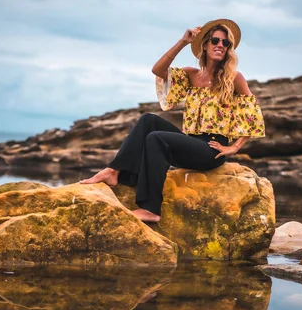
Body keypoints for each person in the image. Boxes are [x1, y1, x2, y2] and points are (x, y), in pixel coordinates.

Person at [80, 18, 265, 223]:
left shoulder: (234, 78)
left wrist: (235, 147)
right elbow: (158, 70)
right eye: (215, 40)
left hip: (211, 150)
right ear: (204, 44)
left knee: (157, 138)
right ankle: (114, 171)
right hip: (191, 142)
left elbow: (252, 113)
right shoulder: (192, 75)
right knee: (148, 120)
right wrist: (183, 41)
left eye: (225, 43)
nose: (220, 45)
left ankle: (150, 209)